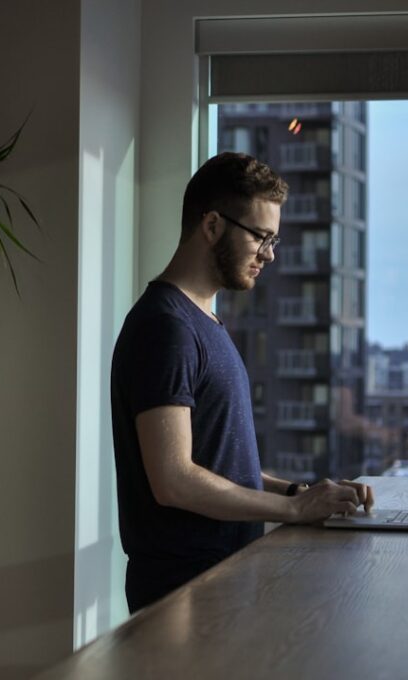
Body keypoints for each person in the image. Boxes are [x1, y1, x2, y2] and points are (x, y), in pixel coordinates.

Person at [110, 152, 374, 613]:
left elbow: (216, 464)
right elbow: (173, 479)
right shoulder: (166, 328)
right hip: (181, 593)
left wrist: (300, 493)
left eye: (274, 240)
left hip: (218, 582)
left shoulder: (201, 322)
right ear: (212, 225)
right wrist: (294, 512)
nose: (269, 255)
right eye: (261, 237)